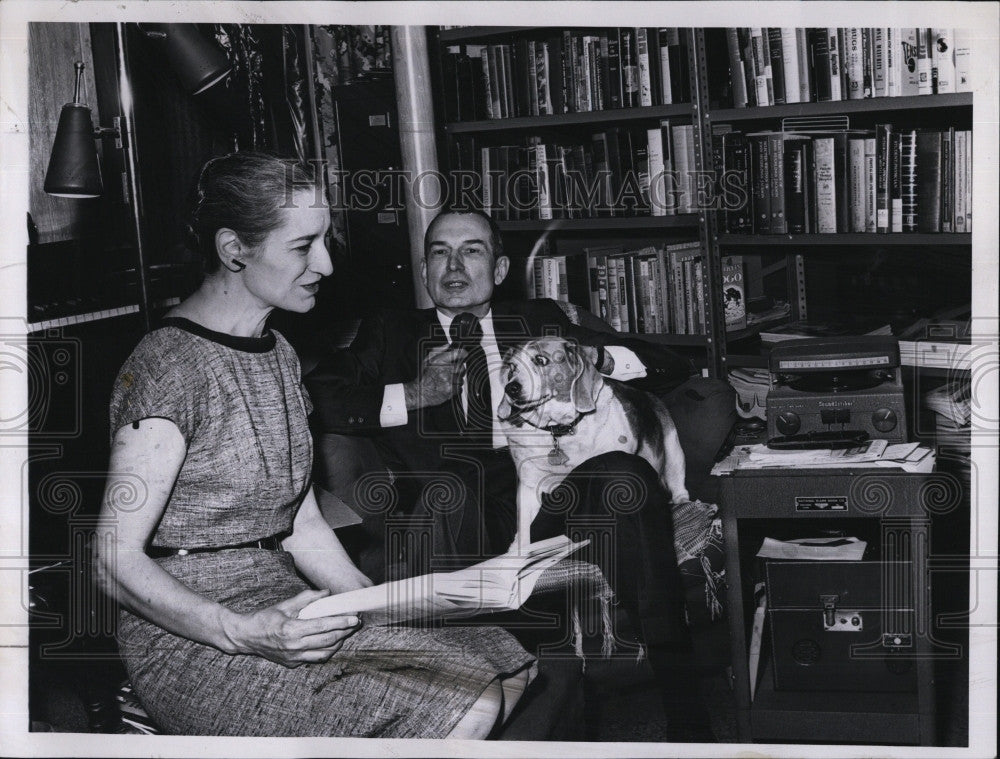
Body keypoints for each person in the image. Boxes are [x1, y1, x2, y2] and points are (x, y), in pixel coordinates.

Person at [93, 154, 535, 738]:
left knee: (507, 664)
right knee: (467, 702)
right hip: (196, 632)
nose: (326, 263)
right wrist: (238, 630)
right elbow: (110, 560)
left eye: (325, 240)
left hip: (286, 601)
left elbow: (299, 522)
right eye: (304, 246)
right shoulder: (169, 368)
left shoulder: (277, 353)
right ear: (234, 250)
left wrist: (375, 603)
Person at [305, 208, 696, 654]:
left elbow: (672, 367)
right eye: (440, 253)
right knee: (447, 493)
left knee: (623, 473)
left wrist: (597, 361)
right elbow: (312, 397)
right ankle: (472, 674)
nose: (453, 267)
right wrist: (415, 393)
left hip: (548, 494)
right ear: (423, 270)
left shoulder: (540, 321)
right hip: (452, 509)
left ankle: (677, 684)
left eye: (471, 251)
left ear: (500, 268)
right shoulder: (390, 332)